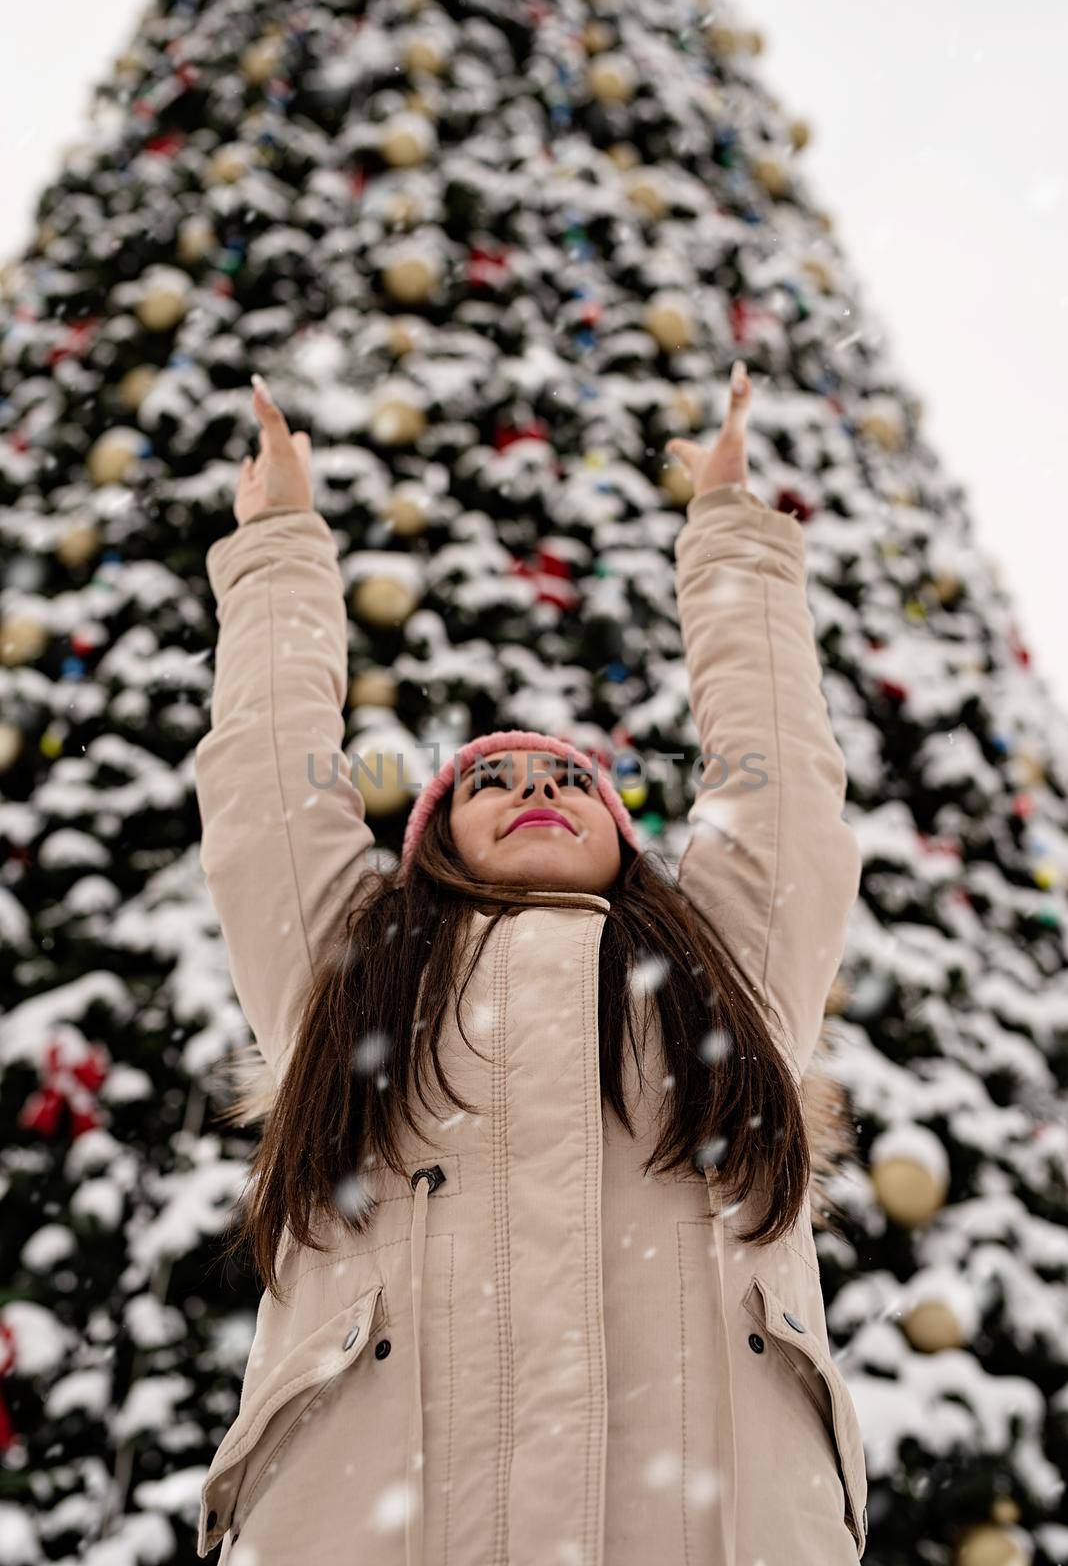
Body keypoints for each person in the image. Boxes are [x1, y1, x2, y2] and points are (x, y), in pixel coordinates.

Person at [192, 364, 868, 1565]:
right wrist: (279, 548)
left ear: (623, 835)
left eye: (566, 779)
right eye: (491, 780)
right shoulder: (351, 965)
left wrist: (733, 537)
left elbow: (782, 773)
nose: (537, 790)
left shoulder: (729, 966)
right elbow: (266, 775)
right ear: (429, 843)